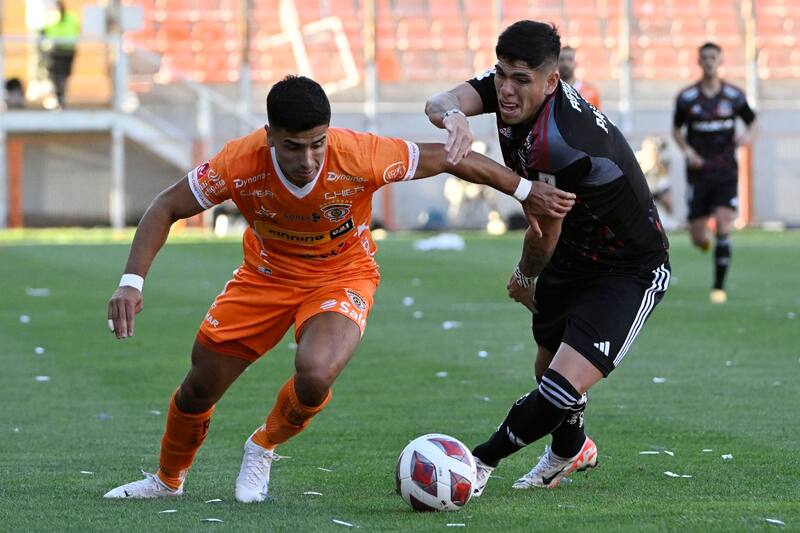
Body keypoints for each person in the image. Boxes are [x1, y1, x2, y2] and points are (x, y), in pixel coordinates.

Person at [103, 75, 575, 502]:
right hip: (264, 278)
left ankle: (263, 445)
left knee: (314, 373)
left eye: (316, 144)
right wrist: (130, 282)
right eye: (292, 147)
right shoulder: (238, 162)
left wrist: (524, 191)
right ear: (269, 137)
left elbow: (452, 159)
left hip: (341, 275)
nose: (307, 160)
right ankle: (167, 481)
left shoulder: (360, 153)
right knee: (197, 390)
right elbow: (166, 206)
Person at [425, 20, 670, 494]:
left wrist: (523, 275)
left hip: (629, 266)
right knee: (547, 370)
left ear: (551, 81)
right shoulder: (507, 89)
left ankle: (477, 464)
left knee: (558, 386)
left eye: (521, 80)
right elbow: (439, 101)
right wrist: (454, 116)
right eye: (501, 75)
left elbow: (543, 228)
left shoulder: (560, 142)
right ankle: (572, 448)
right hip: (575, 252)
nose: (507, 91)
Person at [672, 42, 756, 304]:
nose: (709, 62)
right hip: (698, 173)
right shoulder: (687, 98)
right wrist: (688, 151)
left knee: (723, 223)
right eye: (705, 58)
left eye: (713, 57)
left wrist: (747, 137)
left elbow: (753, 121)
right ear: (699, 62)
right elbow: (676, 130)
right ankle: (704, 242)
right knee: (698, 238)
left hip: (726, 172)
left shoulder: (734, 96)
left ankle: (718, 286)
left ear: (720, 61)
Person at [41, 0, 80, 108]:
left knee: (59, 76)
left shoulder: (54, 17)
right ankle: (60, 97)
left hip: (60, 51)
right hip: (63, 50)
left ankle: (60, 97)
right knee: (59, 76)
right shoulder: (69, 17)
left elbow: (46, 31)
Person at [558, 46, 601, 110]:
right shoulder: (549, 92)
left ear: (576, 63)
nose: (565, 64)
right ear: (556, 63)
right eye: (561, 59)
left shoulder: (591, 93)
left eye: (570, 59)